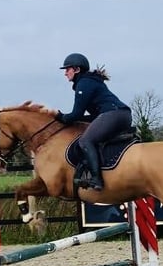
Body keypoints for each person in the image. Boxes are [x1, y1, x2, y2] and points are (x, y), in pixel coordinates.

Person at [55, 53, 132, 190]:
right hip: (122, 115)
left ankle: (97, 179)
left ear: (77, 69)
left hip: (113, 115)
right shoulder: (89, 82)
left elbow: (76, 114)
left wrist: (61, 117)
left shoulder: (84, 84)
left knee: (85, 141)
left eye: (68, 69)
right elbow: (92, 117)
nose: (65, 73)